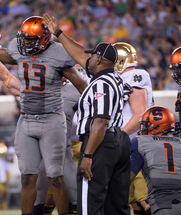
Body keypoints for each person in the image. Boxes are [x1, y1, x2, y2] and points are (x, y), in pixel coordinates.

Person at [0, 10, 87, 215]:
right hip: (26, 120)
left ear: (44, 39)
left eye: (30, 39)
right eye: (24, 38)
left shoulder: (58, 53)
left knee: (55, 176)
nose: (25, 43)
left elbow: (81, 85)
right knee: (27, 177)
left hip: (52, 120)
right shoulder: (20, 50)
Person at [42, 13, 131, 215]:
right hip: (119, 140)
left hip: (101, 142)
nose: (87, 59)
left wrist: (88, 155)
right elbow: (81, 56)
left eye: (92, 56)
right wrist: (59, 33)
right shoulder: (112, 76)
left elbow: (100, 122)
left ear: (99, 59)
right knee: (116, 205)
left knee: (89, 204)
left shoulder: (101, 83)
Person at [0, 32, 84, 215]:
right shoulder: (34, 84)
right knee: (41, 193)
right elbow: (6, 78)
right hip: (44, 144)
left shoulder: (75, 88)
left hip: (70, 146)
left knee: (72, 194)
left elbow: (92, 106)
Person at [113, 42, 153, 215]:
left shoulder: (135, 75)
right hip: (127, 143)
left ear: (120, 61)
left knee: (142, 199)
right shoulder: (119, 78)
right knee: (133, 201)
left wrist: (118, 135)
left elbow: (140, 114)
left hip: (133, 144)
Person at [130, 106, 181, 215]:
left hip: (163, 203)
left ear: (157, 126)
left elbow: (126, 177)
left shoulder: (141, 142)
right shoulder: (179, 141)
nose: (143, 127)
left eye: (146, 124)